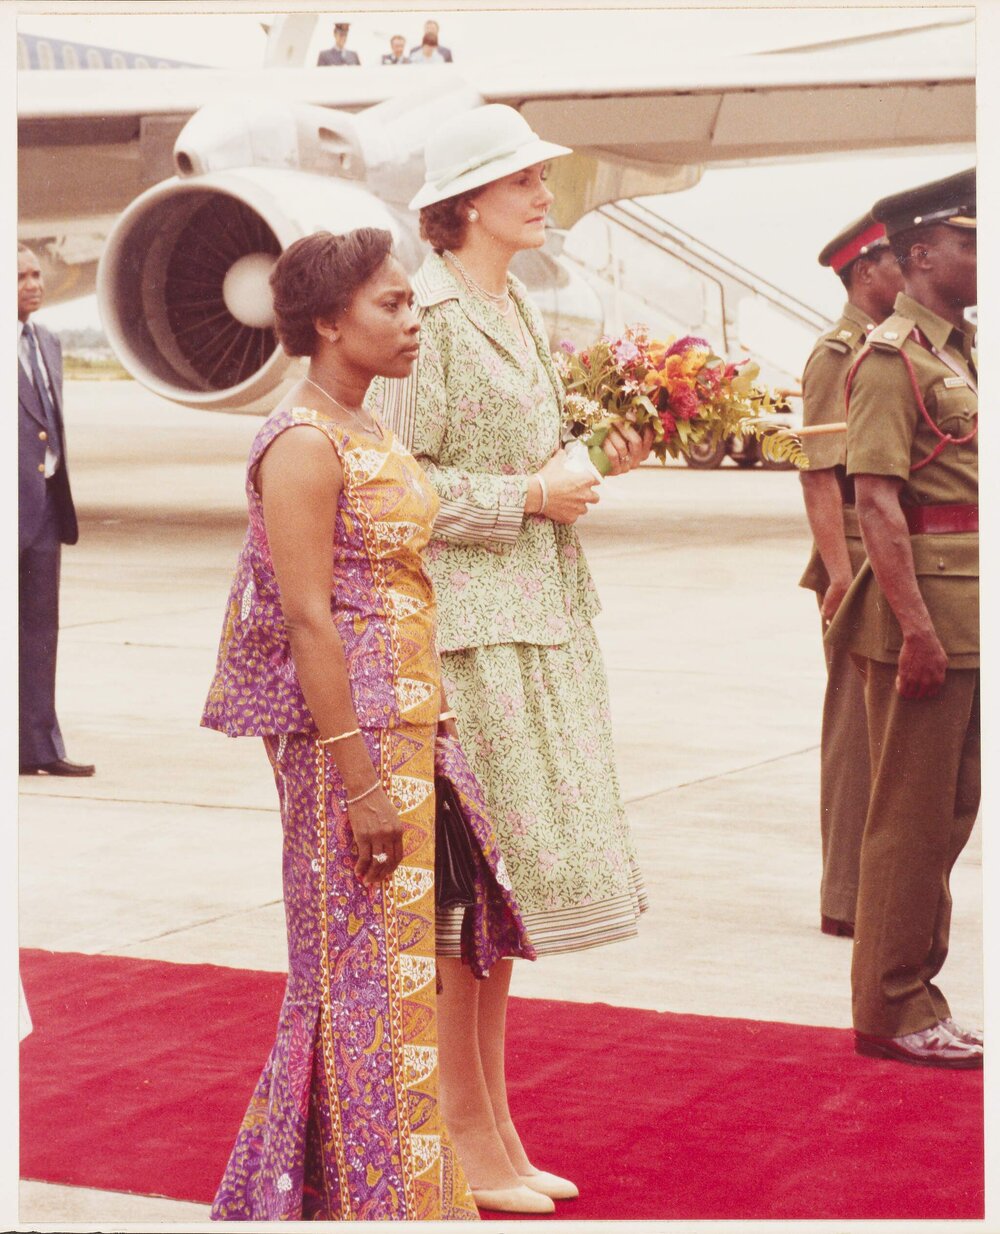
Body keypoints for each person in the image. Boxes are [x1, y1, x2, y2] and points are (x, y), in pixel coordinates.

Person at [203, 228, 530, 1220]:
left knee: (399, 980)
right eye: (390, 304)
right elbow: (308, 615)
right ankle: (341, 1200)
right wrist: (361, 782)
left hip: (409, 729)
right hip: (350, 748)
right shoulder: (304, 442)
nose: (412, 317)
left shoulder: (368, 430)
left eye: (411, 302)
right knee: (352, 979)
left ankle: (385, 1193)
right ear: (327, 322)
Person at [372, 104, 652, 1211]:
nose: (545, 195)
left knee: (504, 910)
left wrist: (589, 462)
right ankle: (461, 1141)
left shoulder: (515, 303)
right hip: (466, 634)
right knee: (467, 907)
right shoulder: (427, 315)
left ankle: (493, 1127)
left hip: (536, 619)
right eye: (525, 180)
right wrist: (533, 493)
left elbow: (527, 460)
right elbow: (394, 488)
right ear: (469, 203)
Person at [826, 169, 981, 1069]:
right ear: (921, 254)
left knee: (949, 814)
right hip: (925, 619)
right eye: (969, 242)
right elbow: (877, 502)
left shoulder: (958, 351)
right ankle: (888, 1010)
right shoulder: (891, 358)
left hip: (965, 612)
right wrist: (917, 629)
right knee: (908, 820)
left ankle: (921, 990)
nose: (983, 256)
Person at [797, 214, 902, 937]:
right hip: (857, 565)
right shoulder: (839, 353)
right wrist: (838, 574)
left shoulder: (891, 348)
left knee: (888, 736)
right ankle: (846, 898)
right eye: (900, 262)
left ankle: (874, 890)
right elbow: (817, 474)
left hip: (882, 558)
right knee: (854, 738)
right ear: (867, 271)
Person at [18, 244, 94, 778]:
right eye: (19, 276)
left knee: (41, 634)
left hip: (44, 510)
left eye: (35, 275)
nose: (33, 284)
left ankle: (39, 748)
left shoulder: (46, 341)